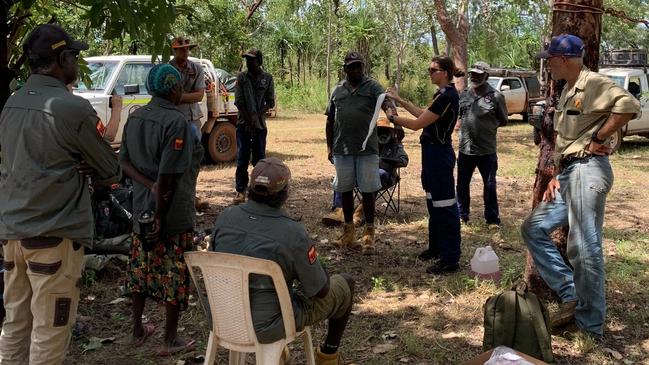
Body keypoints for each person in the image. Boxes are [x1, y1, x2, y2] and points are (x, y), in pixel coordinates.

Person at [0, 24, 121, 364]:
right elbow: (110, 170)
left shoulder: (12, 104)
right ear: (61, 59)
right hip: (53, 235)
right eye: (75, 56)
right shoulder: (72, 108)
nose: (78, 63)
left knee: (15, 327)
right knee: (50, 333)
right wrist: (87, 165)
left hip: (12, 235)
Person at [522, 34, 641, 339]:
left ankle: (590, 326)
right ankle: (570, 293)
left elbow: (628, 105)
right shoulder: (567, 90)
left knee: (585, 246)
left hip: (588, 171)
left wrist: (600, 138)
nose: (547, 65)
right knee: (533, 228)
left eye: (550, 59)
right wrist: (555, 176)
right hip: (570, 173)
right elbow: (567, 140)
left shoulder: (594, 83)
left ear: (563, 59)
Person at [211, 157, 355, 365]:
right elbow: (320, 291)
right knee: (346, 283)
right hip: (268, 325)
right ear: (284, 194)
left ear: (250, 188)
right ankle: (328, 357)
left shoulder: (225, 217)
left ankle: (278, 354)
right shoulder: (292, 232)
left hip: (224, 318)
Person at [119, 64, 203, 355]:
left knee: (140, 269)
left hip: (140, 207)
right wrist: (159, 213)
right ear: (173, 88)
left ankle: (137, 329)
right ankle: (169, 338)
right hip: (170, 212)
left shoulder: (135, 117)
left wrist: (147, 184)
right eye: (180, 85)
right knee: (174, 274)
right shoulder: (176, 122)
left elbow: (124, 163)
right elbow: (168, 177)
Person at [385, 56, 463, 274]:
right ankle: (436, 247)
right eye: (429, 69)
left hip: (439, 154)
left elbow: (417, 124)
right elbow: (423, 114)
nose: (430, 73)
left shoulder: (447, 96)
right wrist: (399, 100)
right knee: (433, 202)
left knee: (445, 206)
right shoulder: (440, 95)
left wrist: (392, 118)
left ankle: (450, 258)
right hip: (431, 154)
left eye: (434, 70)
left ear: (446, 73)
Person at [325, 51, 396, 254]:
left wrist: (394, 118)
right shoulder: (338, 89)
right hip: (342, 149)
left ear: (362, 67)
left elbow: (387, 103)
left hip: (367, 150)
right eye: (351, 66)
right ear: (345, 68)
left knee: (368, 191)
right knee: (345, 190)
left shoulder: (372, 86)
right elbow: (330, 120)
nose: (356, 70)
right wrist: (330, 148)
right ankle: (348, 232)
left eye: (359, 66)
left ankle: (369, 234)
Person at [322, 118, 409, 226]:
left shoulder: (395, 145)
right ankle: (339, 210)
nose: (382, 134)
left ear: (391, 133)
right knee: (343, 174)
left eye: (386, 131)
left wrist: (384, 161)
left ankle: (359, 212)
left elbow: (404, 160)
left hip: (385, 177)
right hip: (364, 173)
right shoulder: (367, 143)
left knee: (378, 174)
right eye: (379, 131)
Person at [456, 61, 508, 226]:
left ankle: (492, 219)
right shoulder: (464, 95)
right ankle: (461, 215)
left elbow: (503, 120)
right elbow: (459, 116)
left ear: (486, 76)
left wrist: (487, 127)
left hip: (487, 150)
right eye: (472, 74)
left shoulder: (496, 96)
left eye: (479, 74)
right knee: (462, 185)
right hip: (465, 149)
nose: (474, 77)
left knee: (490, 185)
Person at [169, 36, 208, 211]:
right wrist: (186, 96)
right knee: (175, 159)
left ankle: (191, 195)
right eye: (181, 48)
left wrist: (180, 97)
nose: (185, 51)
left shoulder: (196, 68)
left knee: (193, 160)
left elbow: (199, 96)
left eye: (187, 48)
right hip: (175, 120)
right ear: (174, 50)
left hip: (193, 120)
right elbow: (170, 96)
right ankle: (174, 196)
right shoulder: (168, 69)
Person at [232, 48, 276, 205]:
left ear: (259, 61)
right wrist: (250, 120)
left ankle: (258, 190)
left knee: (260, 159)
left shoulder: (267, 78)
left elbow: (270, 101)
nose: (249, 62)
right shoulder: (242, 78)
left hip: (260, 126)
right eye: (247, 59)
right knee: (242, 159)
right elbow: (239, 102)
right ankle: (240, 191)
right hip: (244, 125)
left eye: (252, 59)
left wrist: (258, 116)